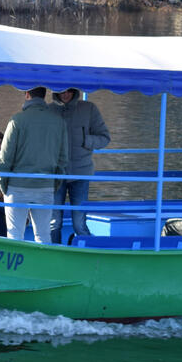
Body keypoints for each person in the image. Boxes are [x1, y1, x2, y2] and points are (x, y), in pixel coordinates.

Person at [0, 87, 69, 243]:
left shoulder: (17, 120)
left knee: (14, 235)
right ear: (44, 96)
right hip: (45, 185)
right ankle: (44, 259)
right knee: (43, 235)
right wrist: (54, 184)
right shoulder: (59, 122)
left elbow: (5, 157)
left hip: (17, 186)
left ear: (27, 94)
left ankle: (16, 260)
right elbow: (63, 159)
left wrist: (3, 185)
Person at [50, 87, 111, 244]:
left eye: (68, 91)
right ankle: (53, 254)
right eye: (61, 91)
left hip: (80, 174)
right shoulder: (49, 110)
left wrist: (86, 140)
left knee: (79, 224)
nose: (65, 94)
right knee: (54, 223)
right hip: (55, 175)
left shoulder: (88, 109)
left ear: (74, 91)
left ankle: (88, 253)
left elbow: (105, 138)